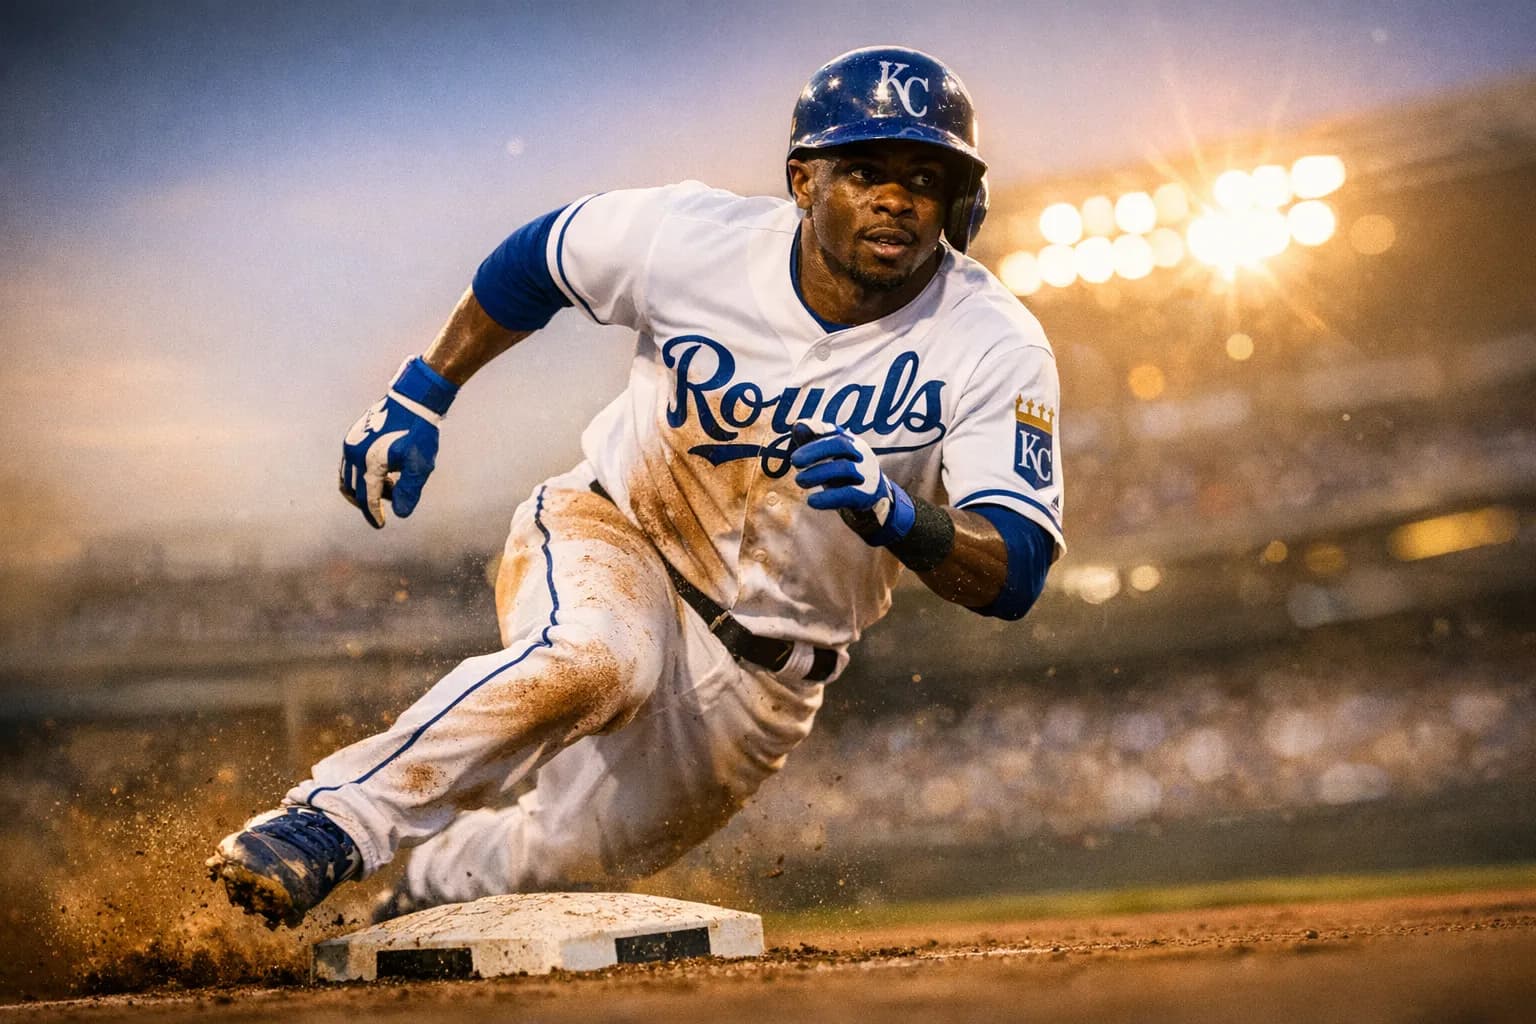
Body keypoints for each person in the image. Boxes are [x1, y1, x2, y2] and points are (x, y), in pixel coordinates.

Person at [207, 45, 1065, 929]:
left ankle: (427, 885)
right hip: (618, 530)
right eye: (862, 170)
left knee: (565, 859)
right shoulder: (695, 239)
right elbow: (537, 257)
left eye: (926, 175)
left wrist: (899, 515)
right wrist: (421, 392)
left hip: (767, 674)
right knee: (597, 658)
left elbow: (1017, 571)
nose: (895, 197)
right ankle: (331, 819)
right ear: (803, 182)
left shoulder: (993, 342)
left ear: (961, 201)